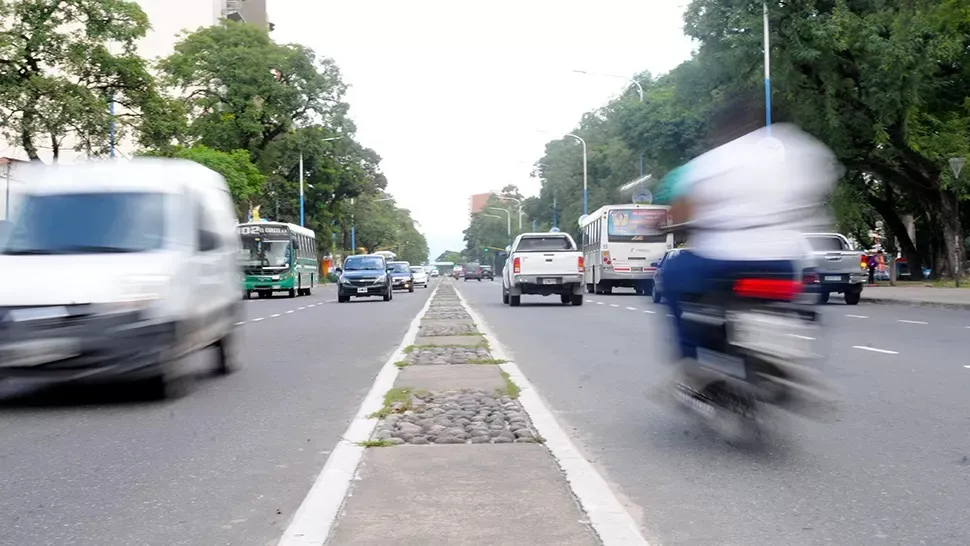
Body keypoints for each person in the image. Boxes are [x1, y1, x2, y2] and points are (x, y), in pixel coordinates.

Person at [652, 90, 842, 382]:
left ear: (725, 130)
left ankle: (691, 362)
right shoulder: (801, 151)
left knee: (671, 272)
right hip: (785, 261)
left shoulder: (711, 162)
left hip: (723, 261)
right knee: (801, 301)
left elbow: (682, 212)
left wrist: (674, 226)